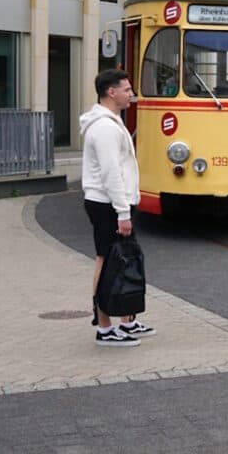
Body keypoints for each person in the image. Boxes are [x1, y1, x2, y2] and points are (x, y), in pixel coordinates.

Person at [80, 68, 149, 347]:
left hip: (112, 203)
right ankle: (104, 327)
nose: (131, 94)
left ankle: (127, 320)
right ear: (112, 92)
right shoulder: (105, 127)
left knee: (123, 260)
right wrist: (123, 212)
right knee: (107, 261)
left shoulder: (112, 122)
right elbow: (111, 173)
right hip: (106, 204)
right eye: (127, 90)